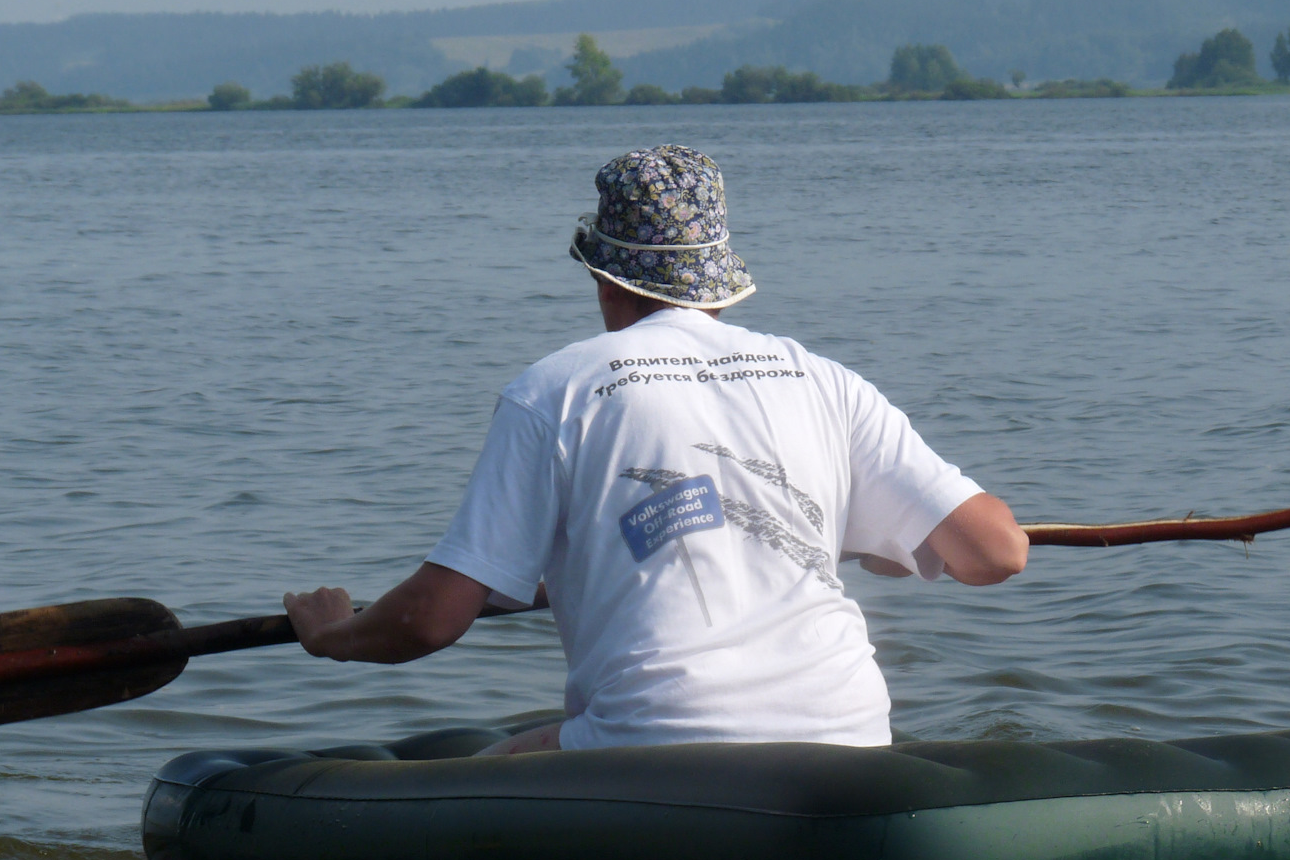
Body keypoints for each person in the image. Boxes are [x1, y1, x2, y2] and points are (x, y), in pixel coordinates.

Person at [284, 144, 1026, 754]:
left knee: (487, 766)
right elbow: (997, 552)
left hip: (656, 746)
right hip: (849, 737)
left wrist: (334, 636)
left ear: (604, 281)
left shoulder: (555, 390)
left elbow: (433, 620)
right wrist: (857, 536)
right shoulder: (825, 380)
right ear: (719, 285)